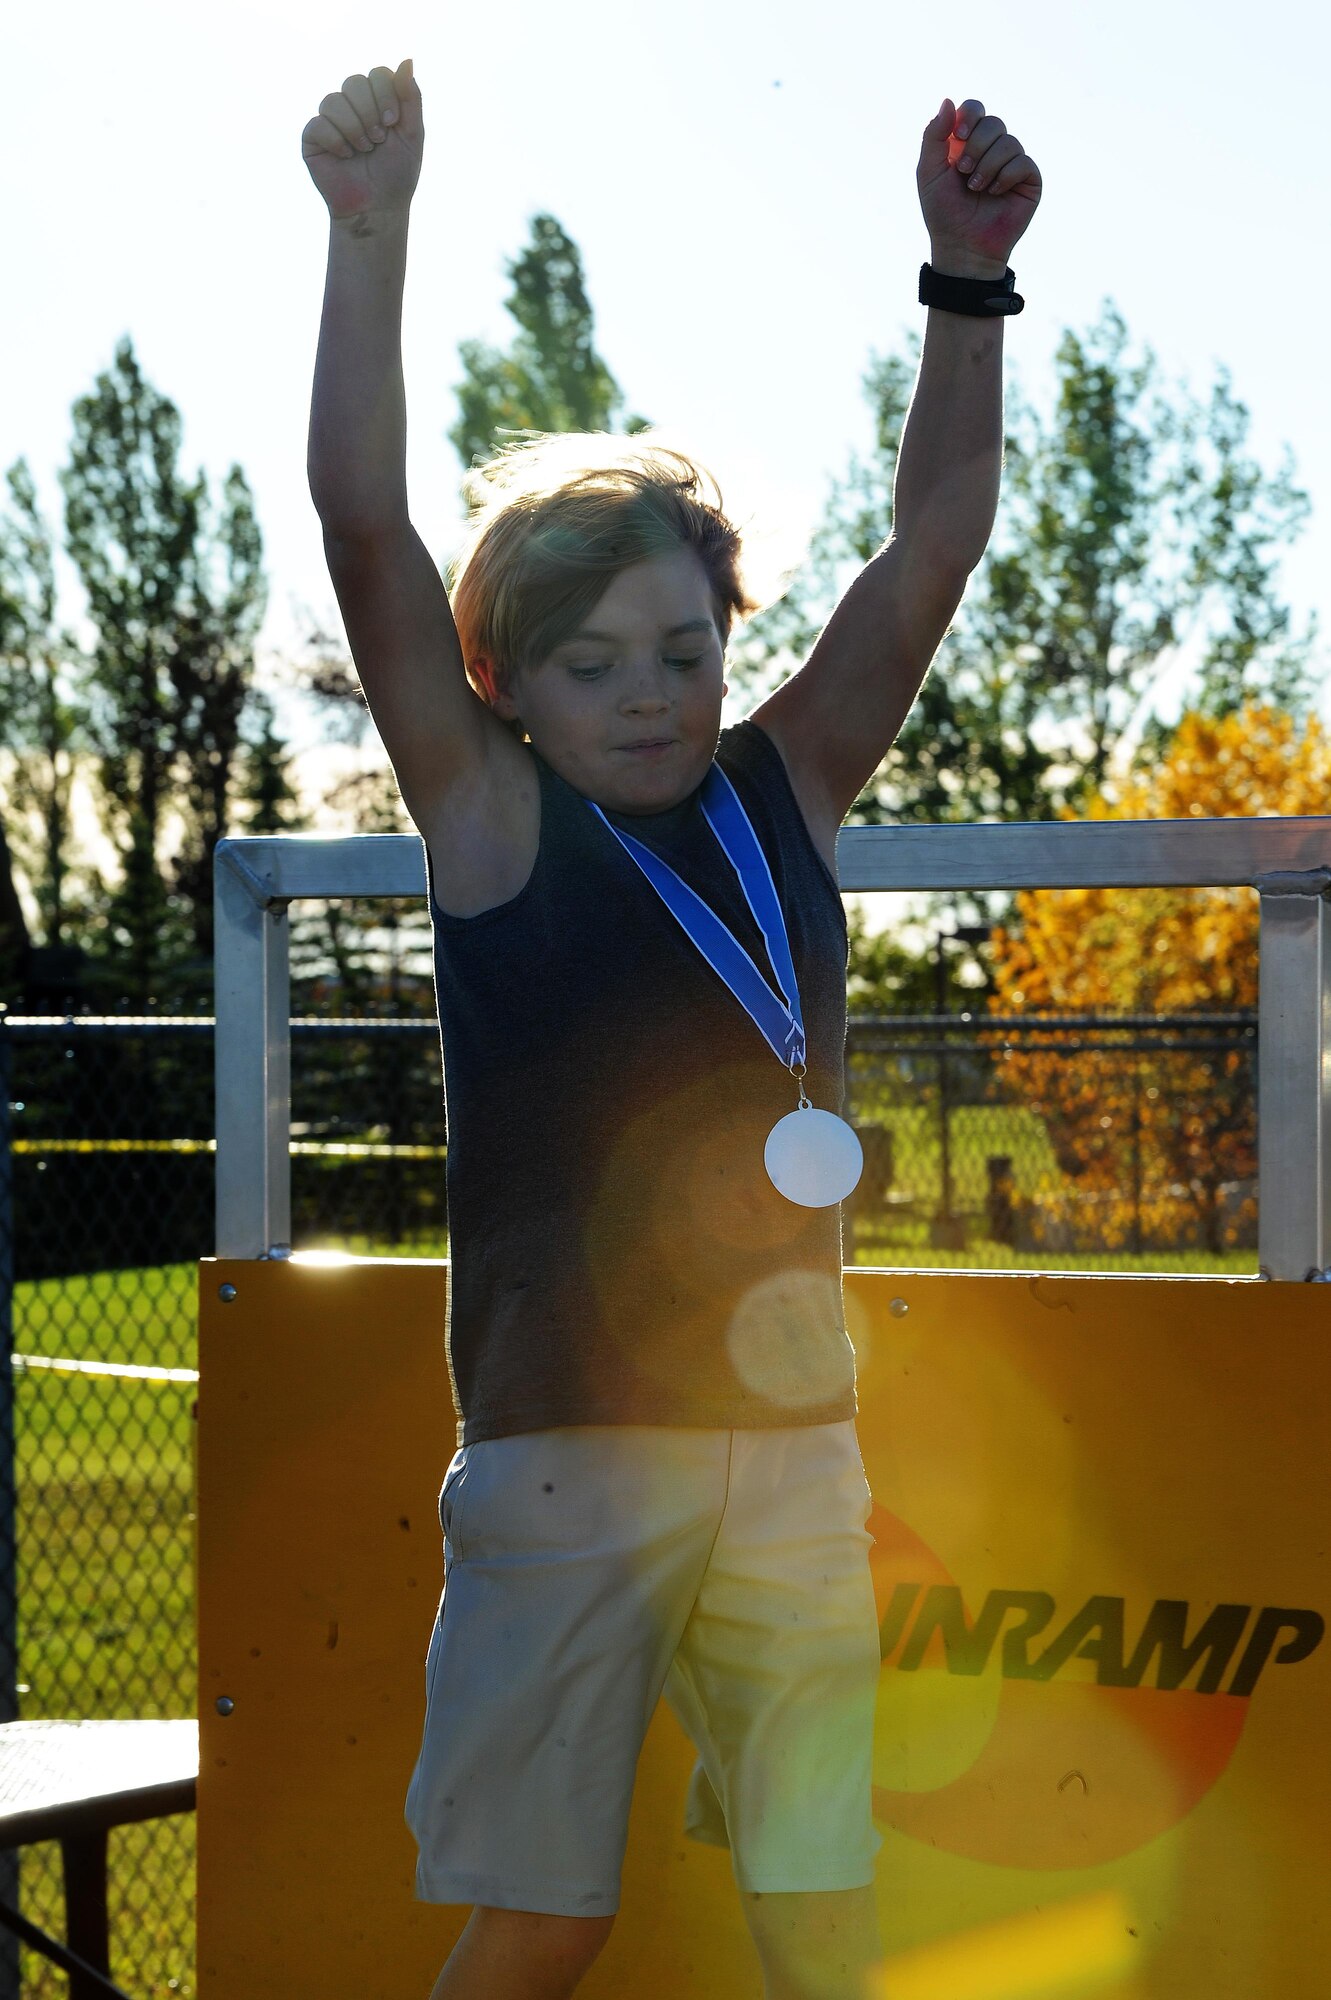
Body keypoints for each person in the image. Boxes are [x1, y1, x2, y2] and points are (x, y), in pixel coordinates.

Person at [302, 57, 1041, 2000]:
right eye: (593, 663)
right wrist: (365, 238)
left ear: (732, 637)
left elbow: (936, 541)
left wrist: (964, 283)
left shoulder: (782, 782)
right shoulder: (489, 818)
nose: (651, 696)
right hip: (568, 1457)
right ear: (507, 684)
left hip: (796, 1450)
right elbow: (366, 529)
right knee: (554, 1910)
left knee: (825, 1901)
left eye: (686, 650)